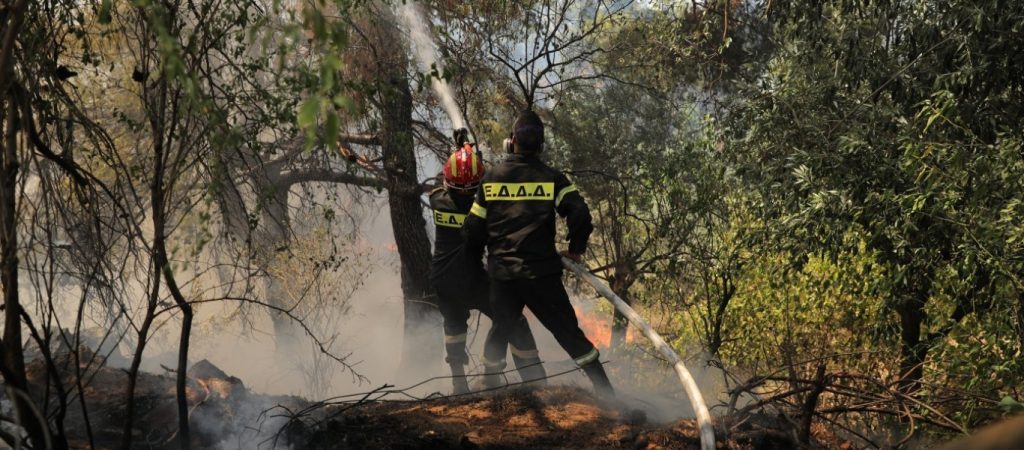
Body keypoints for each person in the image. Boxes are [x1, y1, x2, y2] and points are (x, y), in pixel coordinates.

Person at [463, 110, 614, 397]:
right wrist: (576, 250)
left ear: (511, 142)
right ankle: (606, 393)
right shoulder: (552, 178)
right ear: (541, 145)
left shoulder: (491, 179)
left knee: (500, 332)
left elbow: (472, 230)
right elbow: (580, 214)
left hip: (504, 277)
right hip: (541, 275)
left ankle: (490, 392)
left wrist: (478, 269)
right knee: (569, 335)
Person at [429, 130, 547, 394]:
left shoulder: (437, 201)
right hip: (475, 279)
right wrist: (473, 156)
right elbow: (488, 189)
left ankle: (459, 384)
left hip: (444, 280)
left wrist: (460, 152)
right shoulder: (486, 207)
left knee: (454, 328)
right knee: (512, 320)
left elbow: (444, 179)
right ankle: (533, 378)